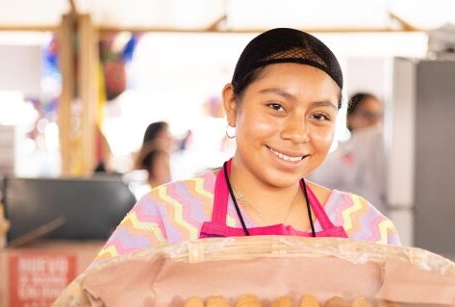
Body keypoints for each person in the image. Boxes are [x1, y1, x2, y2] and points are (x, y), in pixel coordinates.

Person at [94, 28, 398, 263]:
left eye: (319, 115)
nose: (297, 132)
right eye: (276, 106)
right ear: (231, 103)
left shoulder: (363, 226)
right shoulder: (166, 216)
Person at [311, 92, 387, 212]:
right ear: (349, 118)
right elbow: (316, 176)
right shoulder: (335, 157)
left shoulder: (385, 153)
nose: (374, 121)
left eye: (379, 116)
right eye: (368, 114)